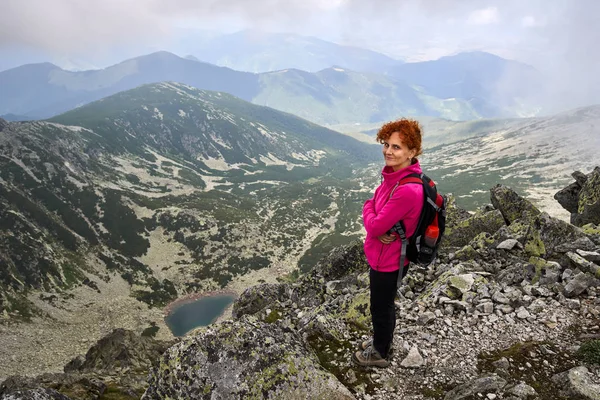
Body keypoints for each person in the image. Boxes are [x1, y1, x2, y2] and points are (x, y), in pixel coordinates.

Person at [353, 118, 425, 368]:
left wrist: (368, 211)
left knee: (380, 307)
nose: (388, 151)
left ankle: (380, 352)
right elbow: (376, 208)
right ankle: (380, 340)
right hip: (387, 254)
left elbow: (374, 223)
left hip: (389, 259)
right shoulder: (395, 178)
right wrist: (375, 215)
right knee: (383, 304)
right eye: (386, 144)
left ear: (411, 152)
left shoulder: (406, 189)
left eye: (396, 147)